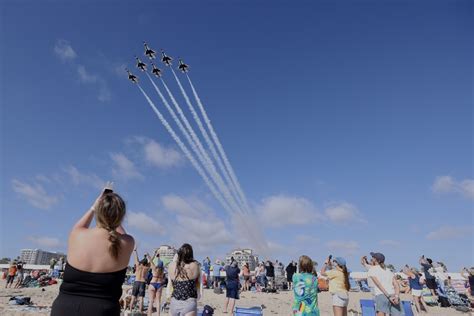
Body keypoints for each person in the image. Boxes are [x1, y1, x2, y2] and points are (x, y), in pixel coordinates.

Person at [51, 186, 135, 316]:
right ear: (121, 216)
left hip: (64, 309)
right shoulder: (127, 243)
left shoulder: (77, 234)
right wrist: (113, 216)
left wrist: (94, 207)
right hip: (103, 310)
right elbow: (120, 233)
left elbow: (80, 225)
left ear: (98, 212)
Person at [168, 243, 200, 316]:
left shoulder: (171, 266)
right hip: (189, 302)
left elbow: (175, 262)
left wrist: (177, 256)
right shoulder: (195, 265)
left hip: (174, 301)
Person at [129, 249, 150, 313]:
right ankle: (141, 312)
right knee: (141, 299)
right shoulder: (146, 268)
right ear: (146, 263)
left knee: (133, 298)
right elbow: (151, 262)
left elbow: (136, 258)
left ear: (141, 262)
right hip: (142, 282)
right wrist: (149, 256)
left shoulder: (138, 266)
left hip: (136, 282)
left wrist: (135, 251)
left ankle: (130, 310)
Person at [146, 251, 165, 316]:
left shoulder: (154, 268)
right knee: (158, 302)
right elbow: (161, 263)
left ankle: (149, 314)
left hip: (152, 284)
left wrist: (149, 255)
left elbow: (151, 260)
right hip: (159, 285)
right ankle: (158, 315)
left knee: (151, 301)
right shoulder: (162, 270)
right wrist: (159, 258)